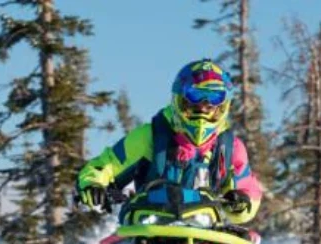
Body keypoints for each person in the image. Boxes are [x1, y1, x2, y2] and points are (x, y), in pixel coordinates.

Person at [76, 59, 263, 224]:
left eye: (211, 102)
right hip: (149, 227)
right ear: (179, 100)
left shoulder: (230, 147)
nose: (203, 110)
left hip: (207, 231)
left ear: (223, 106)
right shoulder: (150, 136)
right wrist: (93, 186)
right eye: (195, 100)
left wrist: (241, 202)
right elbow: (105, 165)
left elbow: (249, 190)